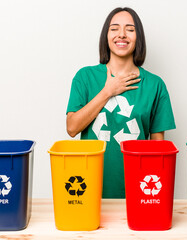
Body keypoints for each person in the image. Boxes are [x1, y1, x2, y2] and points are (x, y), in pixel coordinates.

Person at [66, 7, 176, 198]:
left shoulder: (154, 85)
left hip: (139, 189)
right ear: (106, 36)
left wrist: (153, 196)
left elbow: (158, 149)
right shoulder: (85, 77)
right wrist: (108, 91)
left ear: (138, 37)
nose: (122, 35)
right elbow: (72, 128)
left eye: (130, 29)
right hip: (88, 187)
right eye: (114, 28)